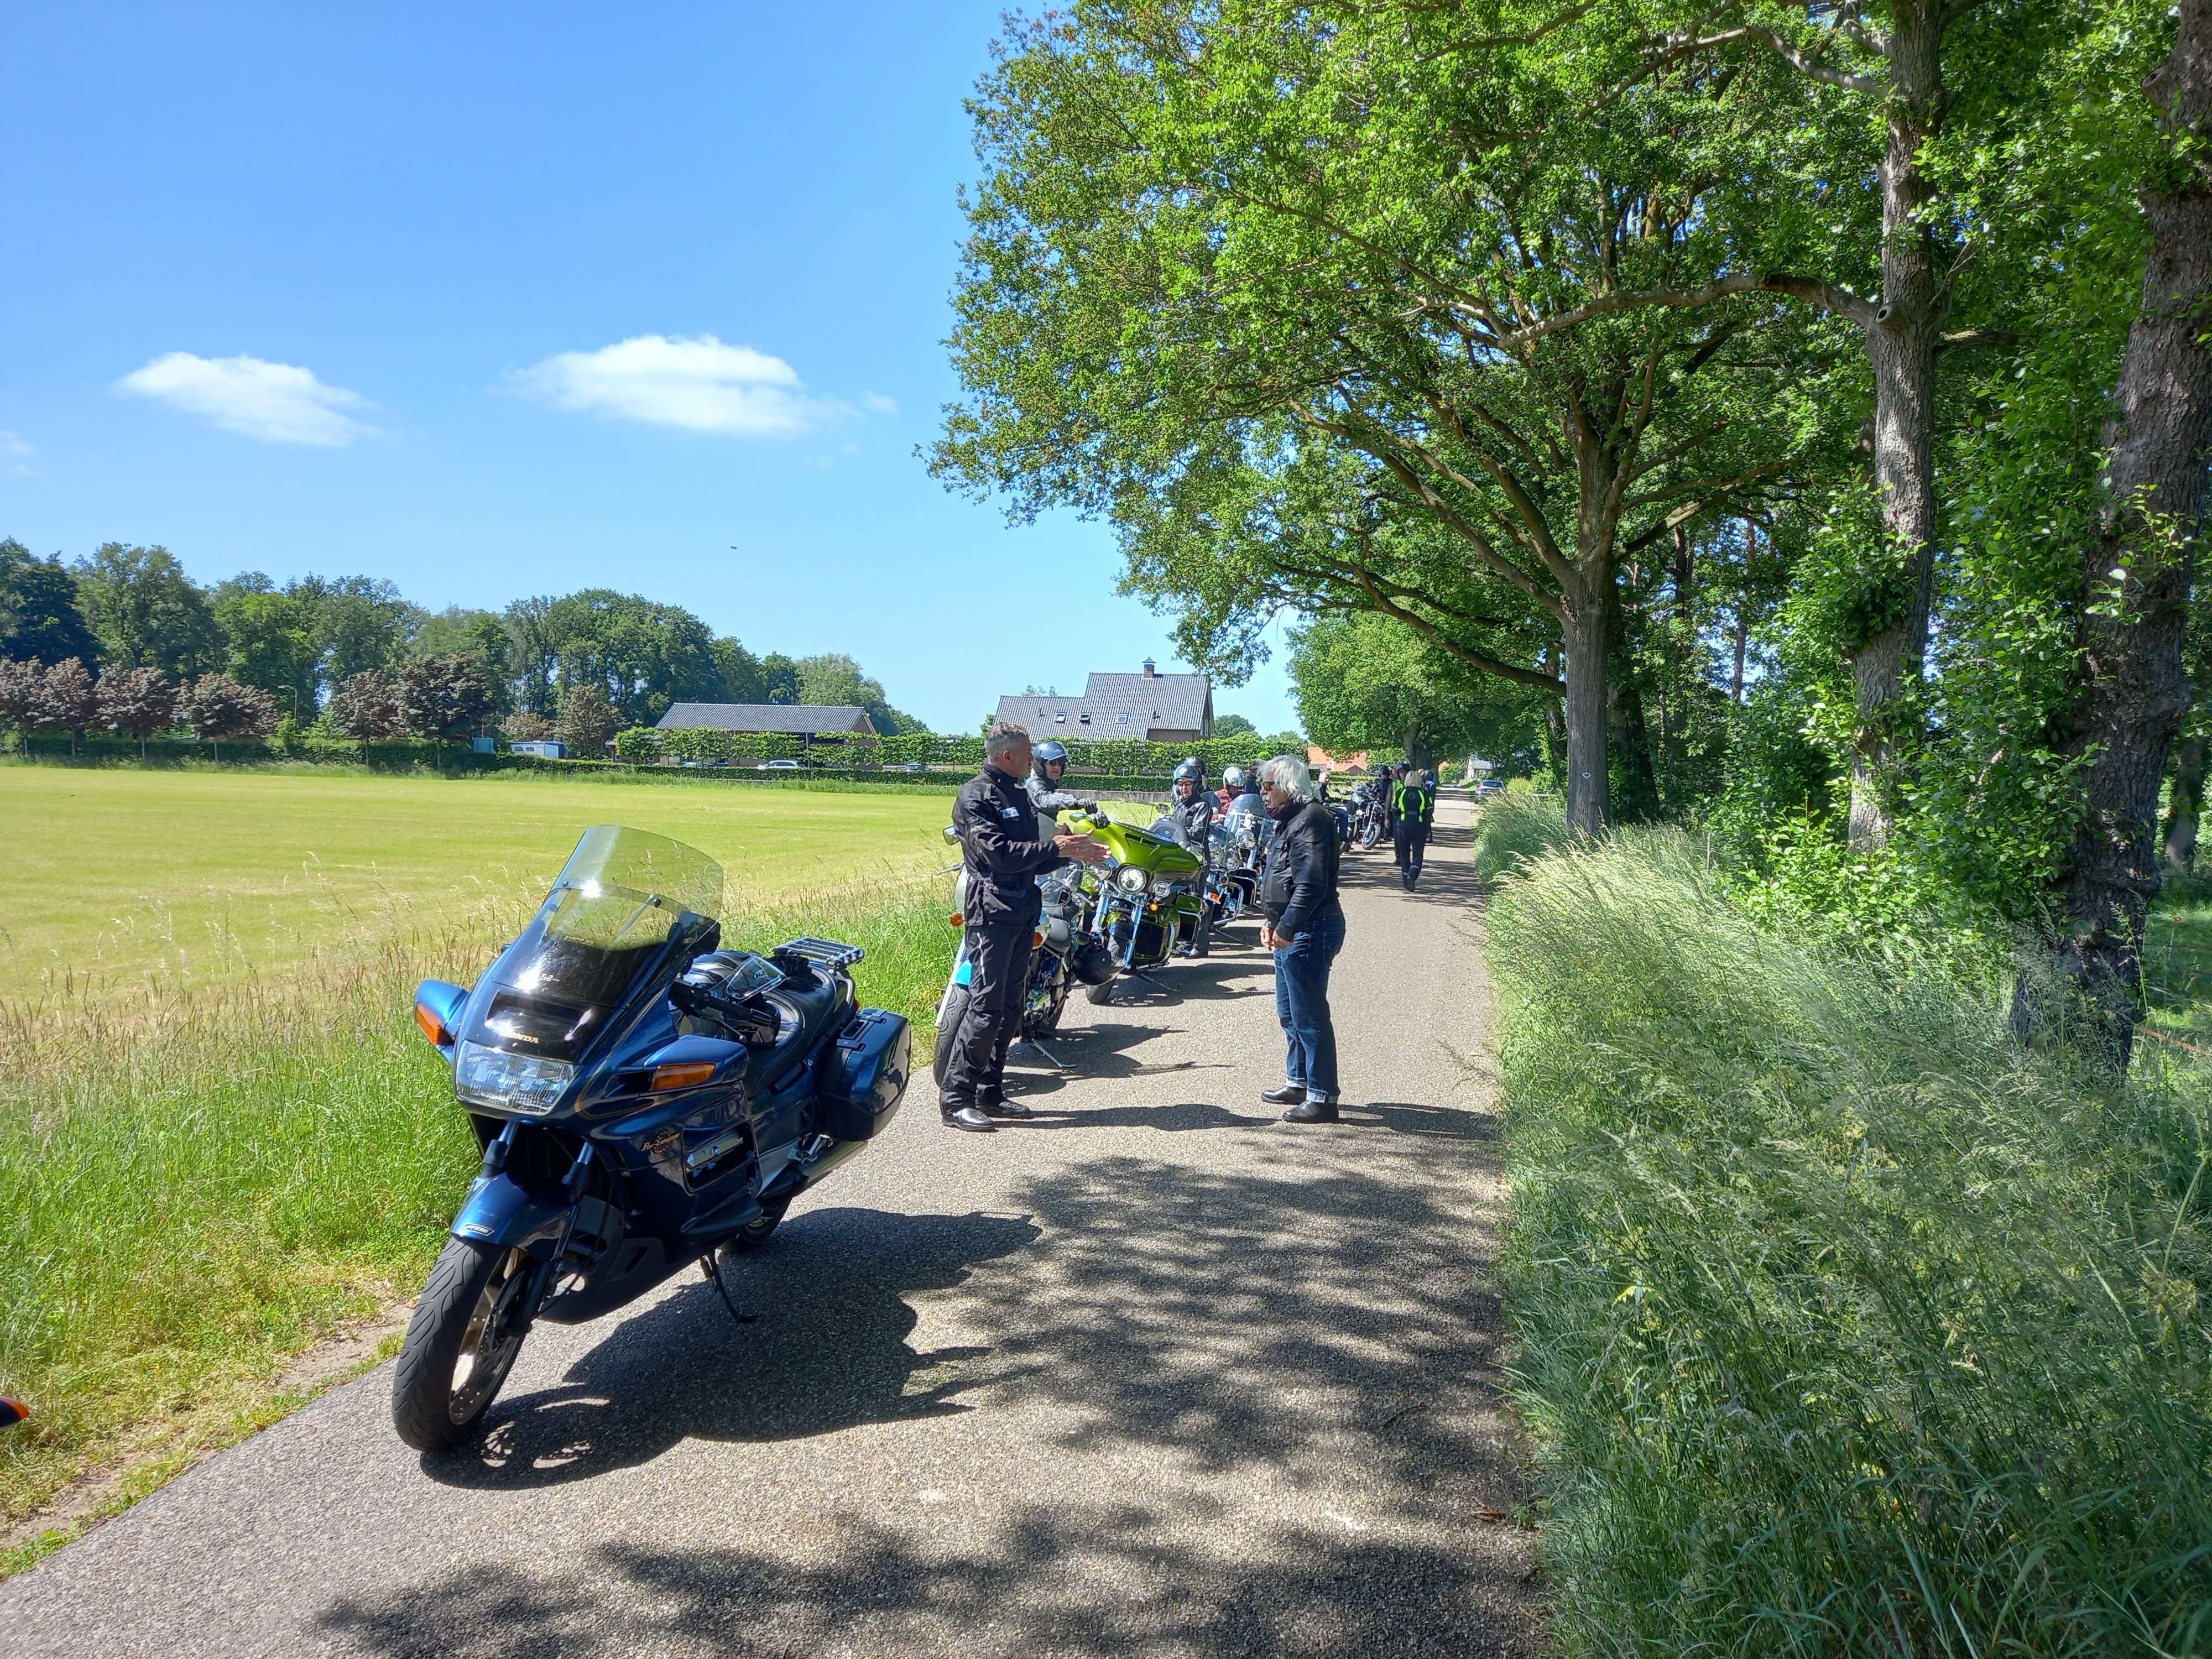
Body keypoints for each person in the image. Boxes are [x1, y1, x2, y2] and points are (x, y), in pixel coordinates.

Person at [943, 722, 1107, 1132]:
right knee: (986, 1007)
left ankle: (991, 1091)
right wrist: (1055, 847)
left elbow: (1032, 857)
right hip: (992, 909)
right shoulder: (975, 796)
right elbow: (998, 854)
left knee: (1011, 1006)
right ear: (1007, 756)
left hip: (1024, 907)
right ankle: (956, 1100)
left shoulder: (1018, 793)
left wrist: (1074, 853)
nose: (1033, 759)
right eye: (1028, 752)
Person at [1256, 753, 1345, 1123]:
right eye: (1262, 785)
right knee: (1289, 1013)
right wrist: (1271, 922)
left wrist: (1287, 928)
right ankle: (1298, 1081)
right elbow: (1281, 878)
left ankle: (1323, 1097)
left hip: (1311, 928)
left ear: (1289, 787)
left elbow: (1310, 884)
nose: (1263, 792)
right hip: (1292, 929)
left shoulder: (1311, 819)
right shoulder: (1289, 819)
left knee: (1309, 1015)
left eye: (1268, 786)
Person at [1167, 758, 1216, 956]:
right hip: (1180, 855)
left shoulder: (1202, 806)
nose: (1184, 788)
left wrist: (1177, 831)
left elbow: (1198, 831)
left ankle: (1200, 945)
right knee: (1175, 895)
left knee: (1196, 898)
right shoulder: (1180, 805)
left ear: (1195, 785)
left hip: (1197, 858)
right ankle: (1178, 939)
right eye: (1180, 784)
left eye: (1188, 784)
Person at [1392, 763, 1436, 891]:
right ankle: (1412, 874)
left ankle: (1406, 881)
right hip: (1419, 826)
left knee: (1404, 854)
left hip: (1402, 825)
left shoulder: (1401, 792)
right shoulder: (1423, 793)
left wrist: (1400, 818)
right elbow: (1430, 809)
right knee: (1418, 854)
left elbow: (1395, 809)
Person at [1025, 738, 1094, 819]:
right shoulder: (1033, 783)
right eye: (1052, 763)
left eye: (1060, 763)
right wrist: (1078, 801)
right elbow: (1046, 799)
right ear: (1040, 764)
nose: (1057, 767)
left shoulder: (1050, 785)